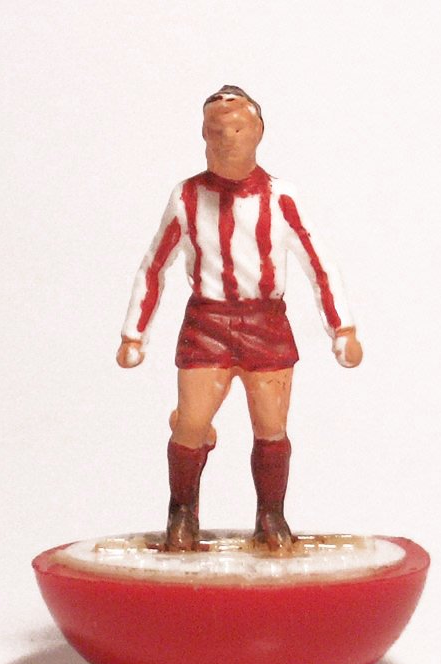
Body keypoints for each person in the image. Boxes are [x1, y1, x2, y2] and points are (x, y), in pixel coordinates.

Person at [117, 85, 362, 553]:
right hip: (207, 324)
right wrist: (134, 333)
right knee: (191, 424)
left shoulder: (281, 197)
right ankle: (182, 514)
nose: (227, 140)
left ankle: (271, 516)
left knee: (271, 426)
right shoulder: (187, 197)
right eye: (216, 131)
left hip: (265, 324)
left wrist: (342, 328)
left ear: (258, 133)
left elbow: (319, 263)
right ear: (203, 137)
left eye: (237, 129)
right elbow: (154, 264)